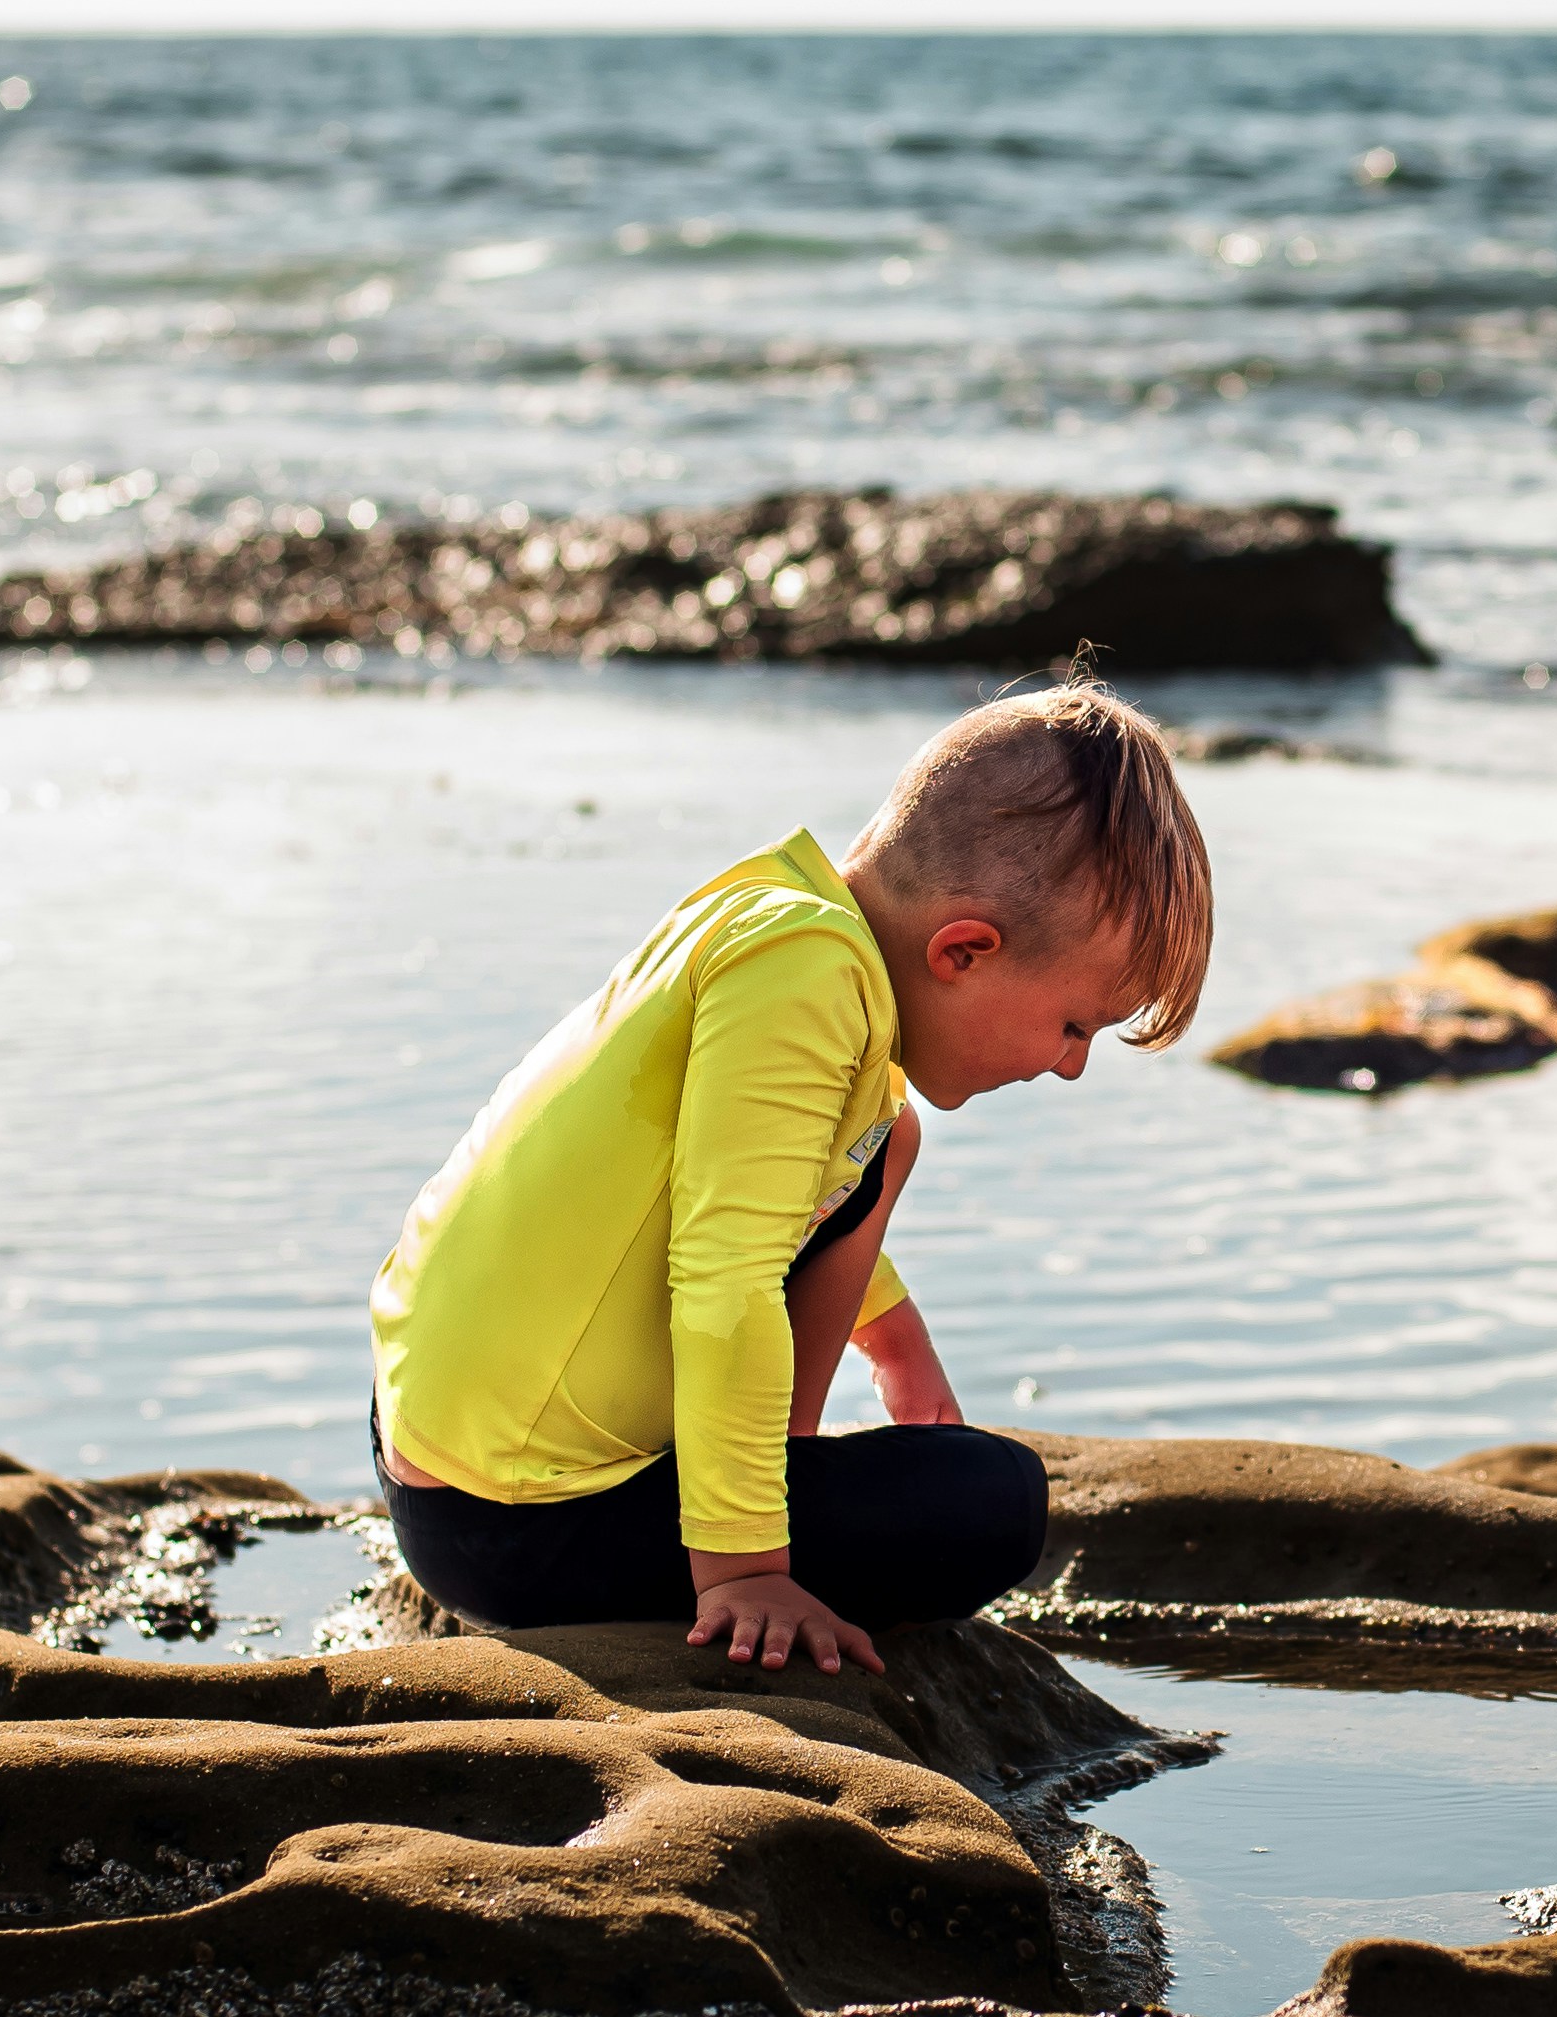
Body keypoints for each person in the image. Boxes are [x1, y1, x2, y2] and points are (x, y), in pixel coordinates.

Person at [370, 675, 1212, 1673]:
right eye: (1076, 1024)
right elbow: (727, 1275)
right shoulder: (812, 979)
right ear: (965, 950)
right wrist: (745, 1572)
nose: (1070, 1062)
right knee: (995, 1502)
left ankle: (765, 1479)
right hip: (517, 1521)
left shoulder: (781, 913)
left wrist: (893, 1337)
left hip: (432, 1445)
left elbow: (735, 1178)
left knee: (888, 1137)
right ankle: (751, 1521)